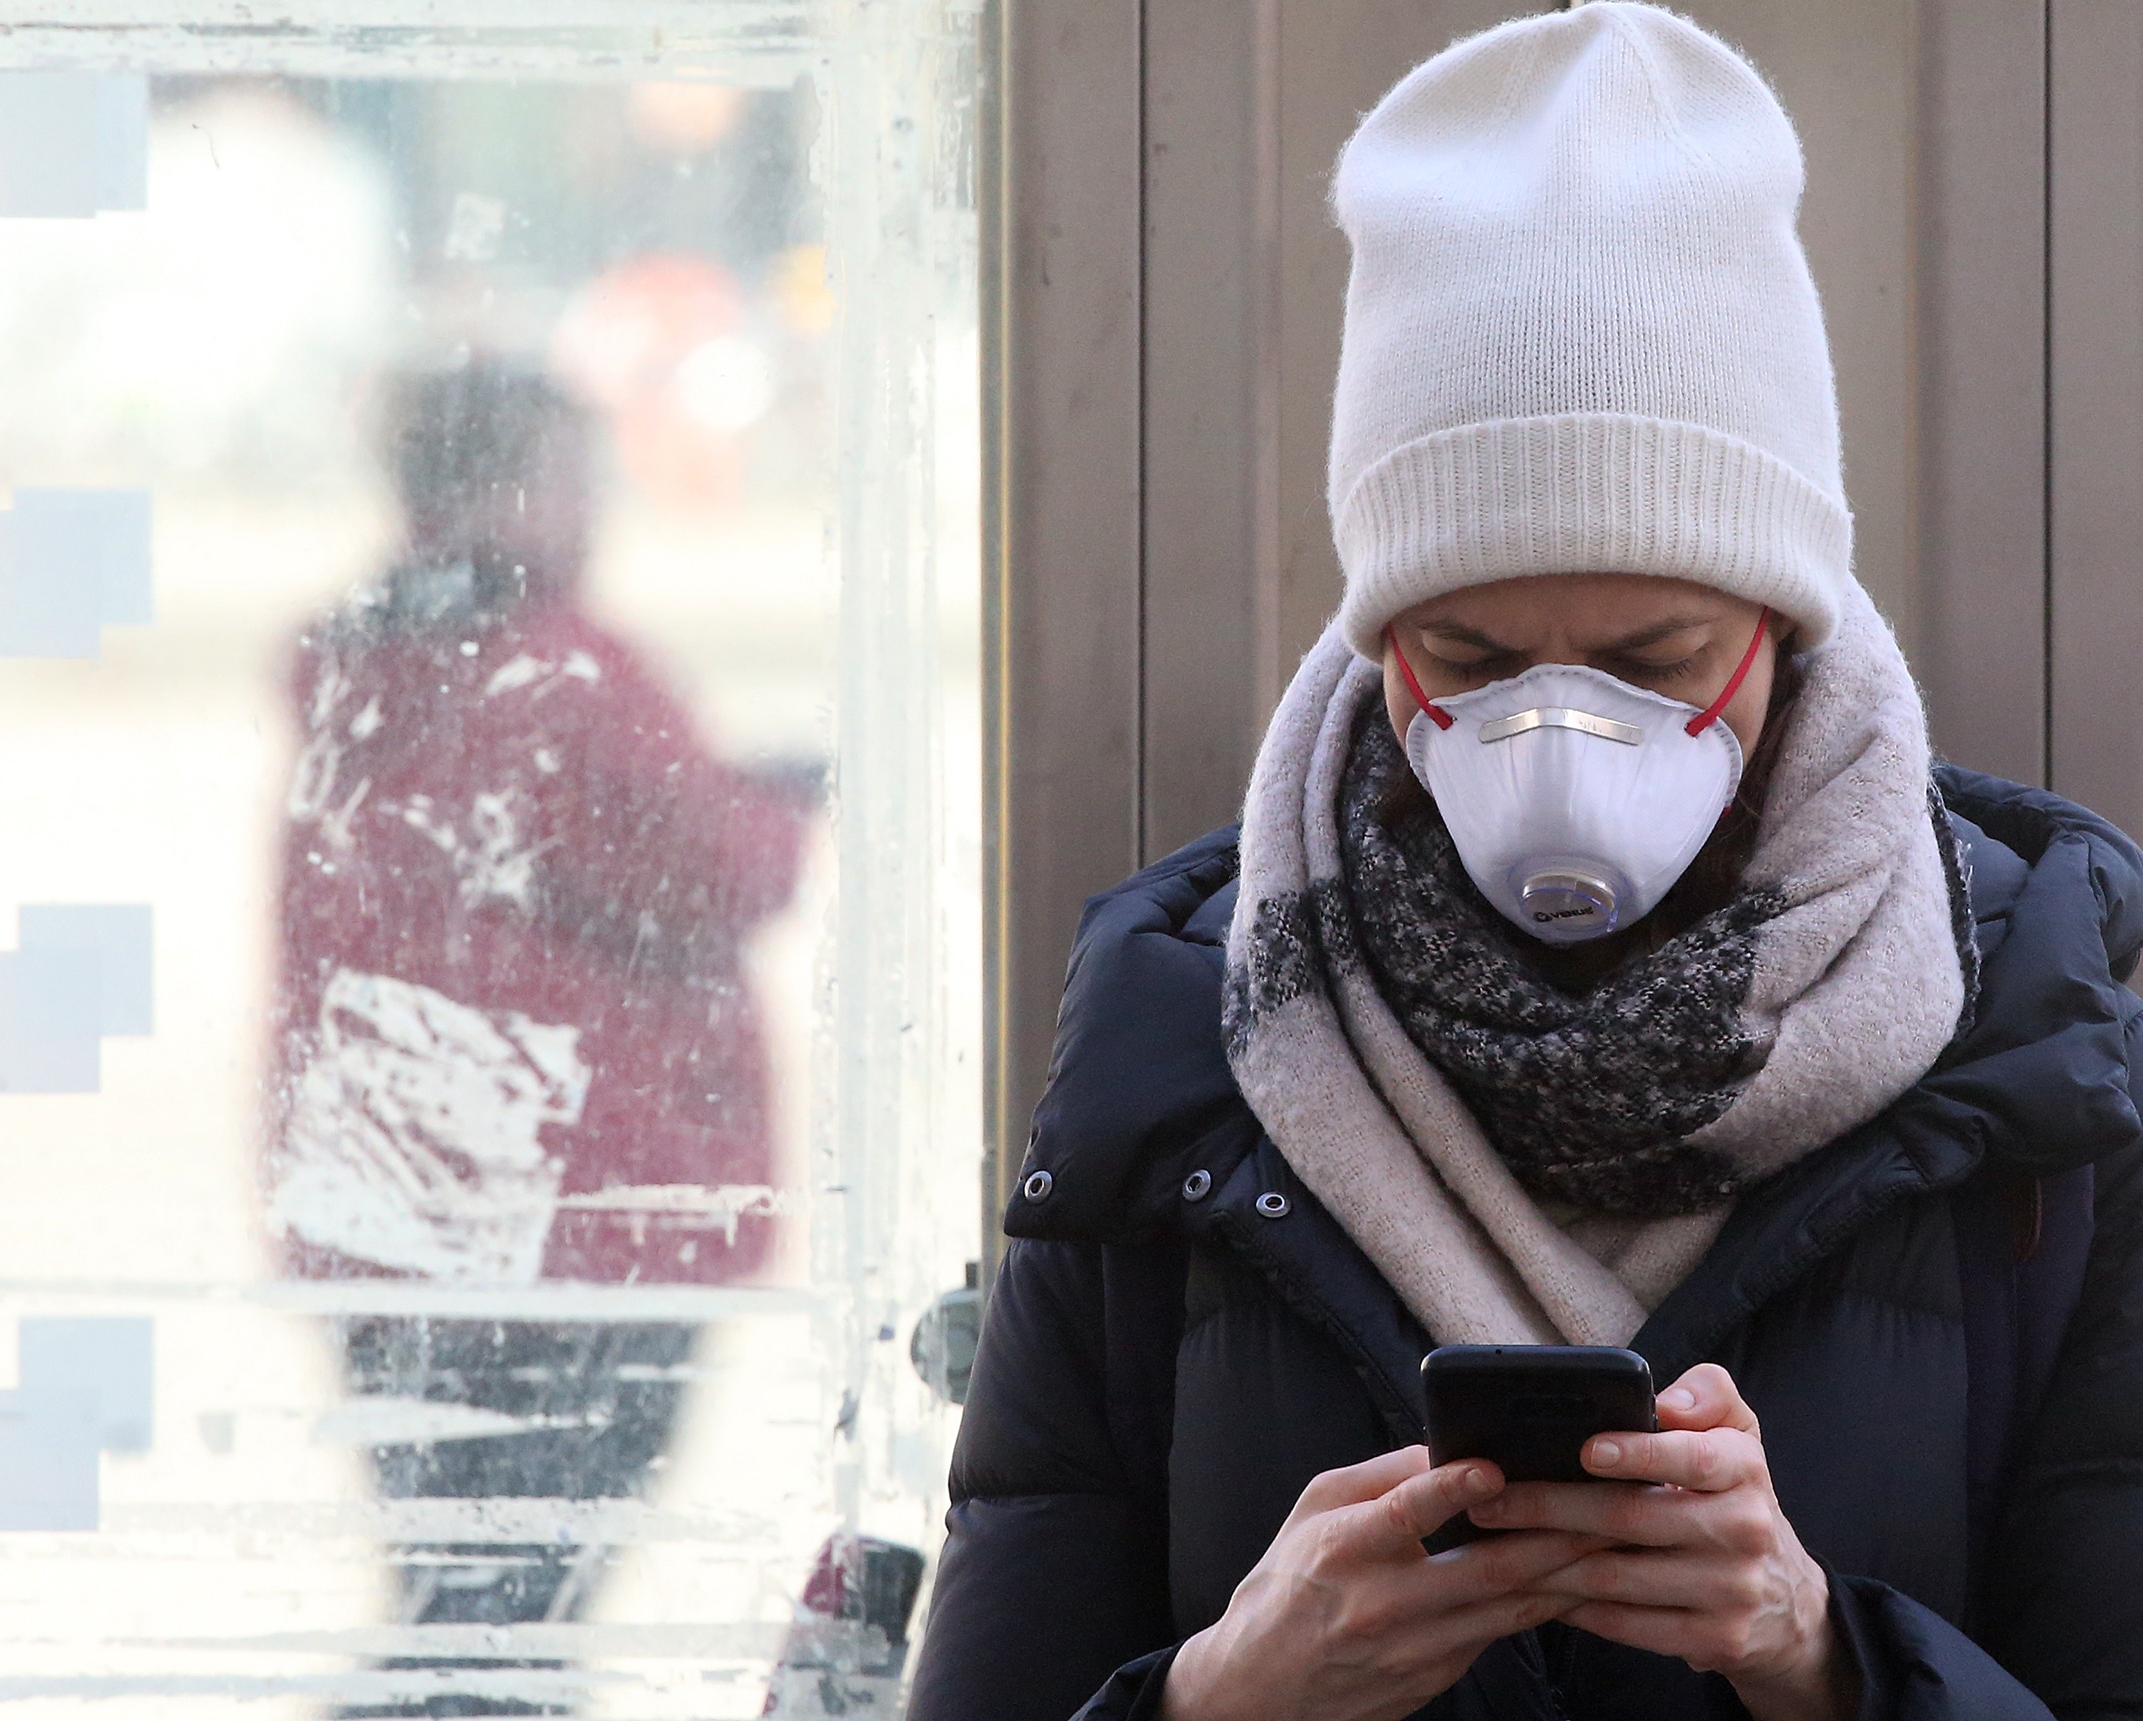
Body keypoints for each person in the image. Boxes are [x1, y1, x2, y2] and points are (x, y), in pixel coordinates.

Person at [906, 8, 2143, 1720]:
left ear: (1784, 624)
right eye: (1473, 660)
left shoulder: (2038, 1066)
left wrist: (1818, 1654)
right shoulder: (1176, 1052)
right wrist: (1218, 1699)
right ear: (1380, 637)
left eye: (1651, 654)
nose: (1561, 745)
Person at [262, 359, 806, 1705]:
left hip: (393, 1208)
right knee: (515, 1615)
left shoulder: (362, 671)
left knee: (458, 1593)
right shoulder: (556, 672)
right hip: (578, 1223)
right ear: (503, 487)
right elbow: (708, 868)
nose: (596, 507)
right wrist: (780, 801)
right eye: (575, 475)